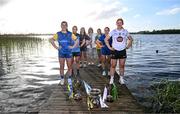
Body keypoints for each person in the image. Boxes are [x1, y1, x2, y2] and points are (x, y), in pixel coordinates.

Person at [105, 18, 133, 84]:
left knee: (122, 65)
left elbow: (131, 39)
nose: (119, 24)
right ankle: (112, 79)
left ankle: (121, 79)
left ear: (122, 23)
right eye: (118, 22)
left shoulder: (125, 31)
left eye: (120, 22)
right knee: (113, 65)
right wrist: (110, 47)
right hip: (114, 50)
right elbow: (106, 39)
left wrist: (128, 46)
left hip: (122, 50)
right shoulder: (113, 31)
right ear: (116, 23)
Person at [49, 21, 78, 86]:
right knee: (61, 66)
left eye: (65, 25)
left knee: (69, 66)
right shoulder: (58, 34)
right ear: (61, 26)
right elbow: (51, 40)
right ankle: (62, 79)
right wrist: (56, 47)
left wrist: (73, 46)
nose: (64, 26)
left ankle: (69, 78)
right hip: (61, 52)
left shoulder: (70, 34)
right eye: (62, 25)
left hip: (69, 52)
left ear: (67, 26)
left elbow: (77, 40)